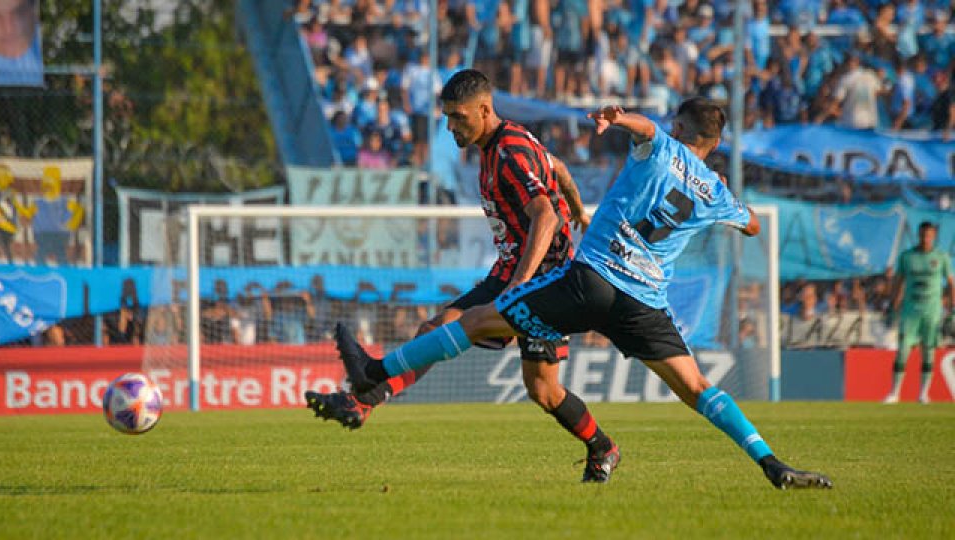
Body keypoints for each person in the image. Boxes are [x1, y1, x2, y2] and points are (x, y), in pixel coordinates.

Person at [329, 97, 832, 490]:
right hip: (644, 304)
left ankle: (375, 372)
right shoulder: (715, 191)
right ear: (716, 143)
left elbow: (645, 129)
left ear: (680, 128)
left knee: (478, 320)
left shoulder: (663, 146)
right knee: (698, 388)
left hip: (592, 281)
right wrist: (721, 191)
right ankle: (770, 462)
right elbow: (750, 225)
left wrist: (618, 118)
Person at [306, 69, 618, 483]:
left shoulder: (508, 152)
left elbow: (544, 215)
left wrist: (520, 287)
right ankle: (364, 401)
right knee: (453, 337)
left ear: (484, 110)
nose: (451, 126)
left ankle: (603, 447)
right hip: (512, 272)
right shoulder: (503, 144)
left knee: (541, 389)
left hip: (544, 281)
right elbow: (556, 167)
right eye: (447, 117)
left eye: (458, 117)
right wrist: (578, 209)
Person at [883, 222, 955, 404]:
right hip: (910, 312)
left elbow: (950, 283)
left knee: (928, 352)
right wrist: (893, 304)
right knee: (902, 351)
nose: (925, 238)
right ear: (918, 235)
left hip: (931, 312)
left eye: (928, 235)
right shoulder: (907, 257)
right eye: (923, 235)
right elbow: (899, 281)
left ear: (934, 237)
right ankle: (894, 393)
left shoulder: (941, 257)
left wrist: (952, 309)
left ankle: (923, 394)